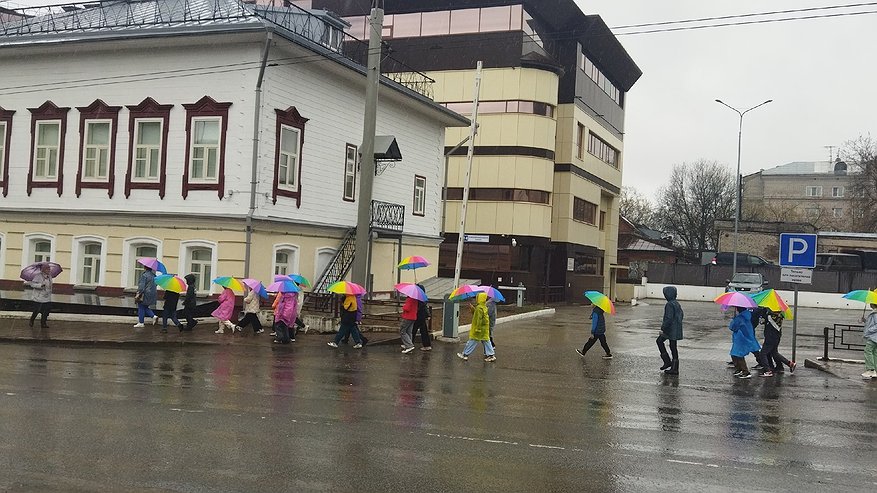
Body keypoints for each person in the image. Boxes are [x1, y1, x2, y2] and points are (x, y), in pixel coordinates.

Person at [457, 292, 496, 362]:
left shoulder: (479, 308)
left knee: (472, 341)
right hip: (484, 329)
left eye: (477, 297)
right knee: (486, 341)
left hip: (479, 329)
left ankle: (465, 354)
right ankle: (491, 355)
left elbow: (478, 319)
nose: (476, 299)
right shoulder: (484, 307)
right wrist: (472, 308)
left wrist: (477, 329)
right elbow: (479, 315)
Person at [756, 310, 796, 377]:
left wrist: (763, 313)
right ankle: (790, 364)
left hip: (770, 336)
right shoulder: (780, 314)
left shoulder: (769, 316)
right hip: (777, 335)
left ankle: (768, 371)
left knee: (763, 353)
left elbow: (761, 321)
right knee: (774, 353)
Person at [657, 286, 683, 375]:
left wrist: (663, 328)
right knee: (673, 347)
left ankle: (667, 362)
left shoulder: (669, 304)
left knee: (659, 341)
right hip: (676, 329)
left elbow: (668, 318)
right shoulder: (676, 303)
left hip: (670, 329)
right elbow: (681, 315)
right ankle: (675, 367)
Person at [730, 307, 761, 379]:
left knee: (738, 354)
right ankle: (740, 369)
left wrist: (734, 320)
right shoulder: (748, 315)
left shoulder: (739, 318)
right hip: (747, 336)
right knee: (736, 353)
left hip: (740, 338)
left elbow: (732, 327)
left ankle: (745, 371)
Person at [27, 263, 53, 328]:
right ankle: (31, 320)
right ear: (43, 269)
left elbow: (50, 285)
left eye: (49, 268)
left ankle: (43, 323)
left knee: (46, 311)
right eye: (47, 268)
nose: (49, 270)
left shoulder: (50, 276)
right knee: (37, 310)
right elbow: (32, 284)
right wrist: (40, 285)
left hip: (47, 296)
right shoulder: (38, 276)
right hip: (38, 296)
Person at [412, 283, 432, 351]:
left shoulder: (418, 298)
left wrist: (415, 311)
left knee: (413, 330)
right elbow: (425, 307)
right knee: (424, 331)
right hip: (422, 316)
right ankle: (427, 345)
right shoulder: (423, 297)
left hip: (419, 316)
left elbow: (420, 307)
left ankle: (409, 344)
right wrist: (428, 315)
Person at [861, 303, 877, 379]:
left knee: (868, 351)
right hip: (874, 337)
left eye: (871, 302)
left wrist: (869, 330)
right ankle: (875, 370)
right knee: (874, 352)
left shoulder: (875, 313)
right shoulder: (874, 312)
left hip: (873, 336)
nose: (870, 303)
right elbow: (872, 323)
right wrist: (865, 321)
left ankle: (871, 369)